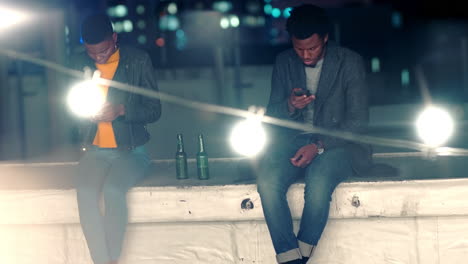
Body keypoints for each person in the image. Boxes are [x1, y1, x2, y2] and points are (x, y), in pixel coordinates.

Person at [256, 4, 372, 264]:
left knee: (318, 179)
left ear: (326, 38)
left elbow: (358, 122)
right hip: (294, 141)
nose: (306, 55)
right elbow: (272, 115)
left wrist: (318, 146)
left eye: (312, 48)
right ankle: (291, 258)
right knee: (267, 182)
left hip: (340, 145)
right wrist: (289, 105)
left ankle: (299, 257)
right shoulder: (284, 62)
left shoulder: (349, 62)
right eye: (299, 49)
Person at [70, 14, 161, 264]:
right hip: (95, 150)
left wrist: (122, 110)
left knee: (113, 190)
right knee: (86, 193)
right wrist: (85, 114)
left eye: (103, 51)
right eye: (91, 53)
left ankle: (110, 260)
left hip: (132, 151)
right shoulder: (79, 65)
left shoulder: (137, 60)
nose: (99, 58)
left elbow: (154, 110)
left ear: (114, 38)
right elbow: (69, 109)